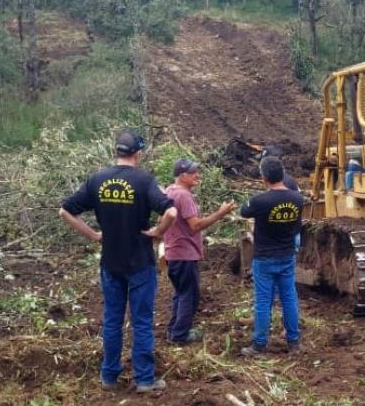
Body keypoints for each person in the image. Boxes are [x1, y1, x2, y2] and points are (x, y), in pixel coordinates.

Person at [58, 129, 177, 394]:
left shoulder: (97, 180)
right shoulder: (145, 181)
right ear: (138, 153)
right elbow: (171, 211)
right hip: (140, 263)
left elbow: (65, 210)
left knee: (112, 320)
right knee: (142, 321)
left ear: (117, 151)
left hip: (110, 263)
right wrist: (158, 232)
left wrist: (93, 235)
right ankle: (144, 379)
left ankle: (109, 376)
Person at [163, 158, 236, 345]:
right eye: (193, 172)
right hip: (185, 253)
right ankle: (180, 335)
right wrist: (221, 213)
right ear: (182, 175)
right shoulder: (184, 196)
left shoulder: (168, 191)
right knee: (190, 295)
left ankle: (173, 330)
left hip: (173, 252)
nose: (197, 175)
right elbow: (195, 226)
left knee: (180, 292)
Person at [239, 156, 304, 356]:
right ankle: (294, 342)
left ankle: (259, 344)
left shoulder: (259, 201)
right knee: (289, 298)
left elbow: (244, 211)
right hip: (286, 256)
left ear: (263, 178)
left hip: (265, 259)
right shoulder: (298, 199)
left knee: (263, 302)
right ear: (282, 175)